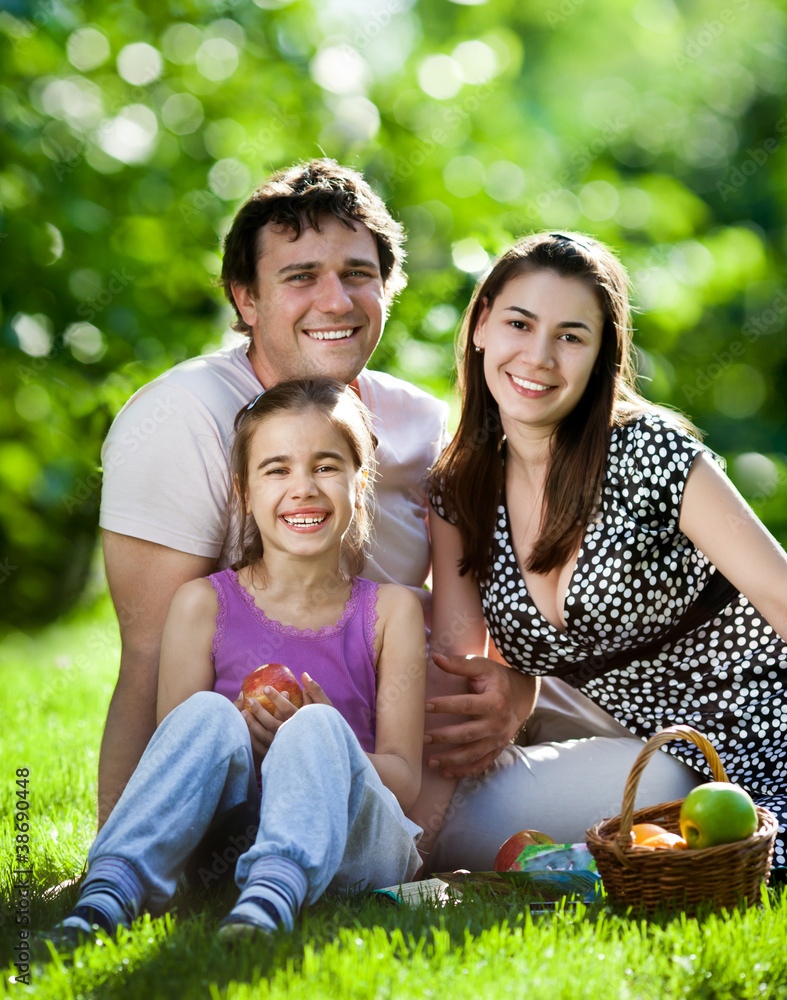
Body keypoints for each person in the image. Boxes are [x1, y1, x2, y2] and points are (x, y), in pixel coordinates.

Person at [95, 159, 459, 828]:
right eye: (300, 277)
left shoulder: (422, 423)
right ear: (246, 299)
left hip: (401, 754)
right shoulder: (181, 418)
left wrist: (511, 696)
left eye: (358, 274)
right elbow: (147, 656)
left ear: (388, 286)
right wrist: (119, 850)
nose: (336, 301)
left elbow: (460, 616)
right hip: (247, 765)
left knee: (626, 774)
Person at [412, 230, 787, 873]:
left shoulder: (650, 452)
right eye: (519, 324)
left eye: (570, 336)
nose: (538, 357)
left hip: (757, 731)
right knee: (439, 816)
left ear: (599, 357)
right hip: (653, 755)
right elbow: (455, 659)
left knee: (459, 825)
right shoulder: (460, 489)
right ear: (479, 327)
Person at [42, 378, 425, 949]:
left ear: (359, 483)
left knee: (315, 726)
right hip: (225, 844)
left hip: (356, 847)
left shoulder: (390, 611)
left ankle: (270, 898)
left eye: (326, 467)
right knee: (205, 714)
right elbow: (176, 762)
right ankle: (111, 889)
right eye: (277, 469)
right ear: (244, 492)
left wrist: (328, 740)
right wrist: (248, 742)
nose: (303, 489)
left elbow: (405, 780)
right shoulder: (204, 604)